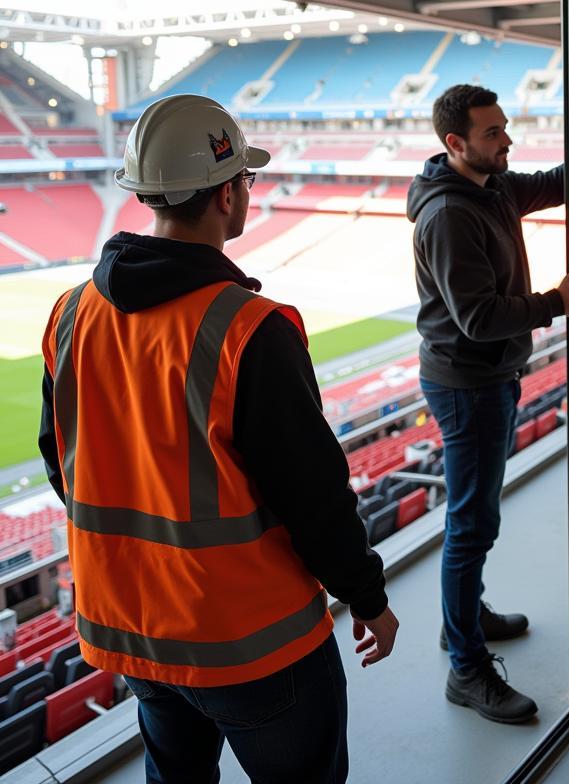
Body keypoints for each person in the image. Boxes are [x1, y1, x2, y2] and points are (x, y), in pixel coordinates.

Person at [39, 94, 398, 784]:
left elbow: (64, 463)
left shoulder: (69, 313)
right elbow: (314, 497)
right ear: (230, 193)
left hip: (133, 632)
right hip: (250, 641)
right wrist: (369, 598)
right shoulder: (249, 328)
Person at [407, 84, 569, 724]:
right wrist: (558, 301)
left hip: (489, 377)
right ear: (455, 143)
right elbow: (477, 318)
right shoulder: (448, 215)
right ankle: (465, 670)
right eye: (493, 133)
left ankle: (463, 620)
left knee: (476, 521)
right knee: (471, 525)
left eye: (505, 128)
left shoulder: (492, 187)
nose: (507, 141)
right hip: (467, 385)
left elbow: (553, 181)